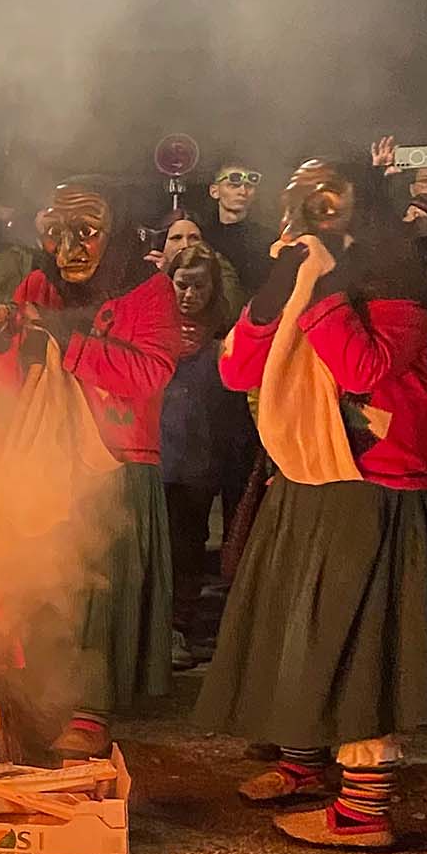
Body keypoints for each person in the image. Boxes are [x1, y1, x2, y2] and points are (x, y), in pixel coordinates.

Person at [196, 159, 427, 849]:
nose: (312, 216)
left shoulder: (399, 288)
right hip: (308, 475)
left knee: (361, 640)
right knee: (298, 624)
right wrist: (283, 286)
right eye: (303, 201)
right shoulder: (305, 275)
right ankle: (303, 762)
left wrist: (325, 284)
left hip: (378, 484)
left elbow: (362, 369)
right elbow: (239, 369)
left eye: (329, 203)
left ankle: (365, 809)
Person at [0, 179, 180, 757]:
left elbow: (148, 376)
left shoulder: (148, 291)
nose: (70, 248)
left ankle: (92, 710)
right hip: (42, 453)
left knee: (98, 586)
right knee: (39, 580)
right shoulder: (38, 282)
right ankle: (36, 697)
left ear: (112, 234)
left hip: (114, 458)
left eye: (85, 232)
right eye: (55, 233)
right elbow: (16, 375)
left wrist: (64, 337)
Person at [155, 241, 240, 668]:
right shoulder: (151, 331)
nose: (188, 295)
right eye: (181, 285)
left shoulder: (221, 343)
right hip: (154, 456)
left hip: (197, 464)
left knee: (187, 551)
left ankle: (179, 628)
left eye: (198, 287)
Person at [199, 163, 268, 288]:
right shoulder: (200, 237)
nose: (243, 192)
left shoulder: (266, 239)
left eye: (249, 186)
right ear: (214, 191)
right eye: (234, 185)